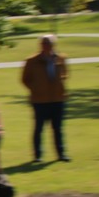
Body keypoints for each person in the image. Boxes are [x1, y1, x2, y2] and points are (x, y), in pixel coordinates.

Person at [21, 34, 69, 162]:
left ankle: (61, 154)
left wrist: (60, 88)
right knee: (39, 128)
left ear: (54, 45)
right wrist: (36, 89)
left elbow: (65, 75)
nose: (47, 46)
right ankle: (38, 155)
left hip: (58, 99)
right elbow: (25, 79)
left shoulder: (61, 59)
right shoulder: (32, 61)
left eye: (49, 43)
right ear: (41, 45)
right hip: (40, 101)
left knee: (58, 128)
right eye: (44, 43)